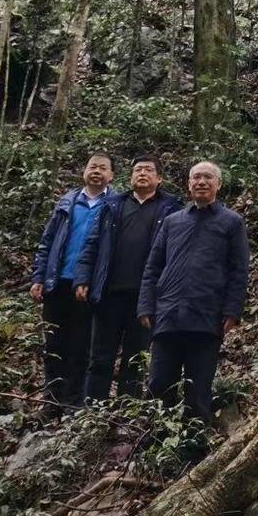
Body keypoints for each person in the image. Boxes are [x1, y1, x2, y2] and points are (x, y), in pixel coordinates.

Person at [138, 161, 248, 423]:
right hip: (168, 315)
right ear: (188, 184)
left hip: (207, 317)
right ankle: (156, 442)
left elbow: (239, 270)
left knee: (198, 390)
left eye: (208, 177)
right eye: (196, 177)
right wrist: (145, 305)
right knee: (159, 383)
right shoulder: (173, 222)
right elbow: (153, 266)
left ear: (218, 184)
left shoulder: (232, 222)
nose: (201, 182)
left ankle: (194, 450)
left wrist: (233, 310)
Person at [74, 155, 181, 402]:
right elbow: (92, 243)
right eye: (137, 170)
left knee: (135, 358)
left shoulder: (171, 208)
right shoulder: (113, 205)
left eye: (148, 170)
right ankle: (93, 411)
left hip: (145, 298)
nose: (142, 173)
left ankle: (125, 411)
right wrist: (83, 277)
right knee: (100, 356)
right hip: (109, 293)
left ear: (159, 178)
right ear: (130, 177)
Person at [29, 153, 114, 411]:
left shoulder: (114, 205)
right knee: (54, 343)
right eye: (92, 167)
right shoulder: (67, 202)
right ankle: (52, 399)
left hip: (88, 287)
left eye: (103, 168)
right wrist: (39, 276)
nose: (96, 171)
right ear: (84, 171)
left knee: (81, 345)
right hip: (58, 282)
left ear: (111, 175)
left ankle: (74, 401)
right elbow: (47, 241)